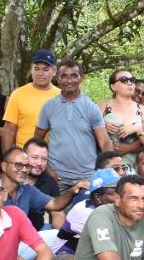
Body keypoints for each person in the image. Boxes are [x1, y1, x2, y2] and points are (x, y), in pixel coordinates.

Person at [33, 59, 110, 189]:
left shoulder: (91, 107)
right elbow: (36, 141)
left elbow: (104, 143)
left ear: (82, 78)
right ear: (57, 78)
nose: (69, 81)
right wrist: (47, 169)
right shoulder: (49, 106)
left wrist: (107, 172)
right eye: (64, 76)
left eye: (74, 75)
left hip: (87, 176)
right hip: (58, 177)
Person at [0, 146, 86, 226]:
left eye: (27, 166)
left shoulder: (27, 189)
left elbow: (54, 204)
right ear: (4, 166)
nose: (24, 169)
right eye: (18, 165)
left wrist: (72, 192)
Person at [0, 50, 59, 152]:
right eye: (37, 69)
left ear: (54, 71)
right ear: (31, 70)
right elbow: (9, 130)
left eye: (45, 69)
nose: (40, 73)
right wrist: (7, 159)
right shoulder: (18, 94)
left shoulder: (61, 97)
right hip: (24, 155)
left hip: (54, 155)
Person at [99, 68, 144, 171]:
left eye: (132, 80)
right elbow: (87, 133)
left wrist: (138, 130)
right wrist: (102, 127)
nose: (130, 83)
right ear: (113, 86)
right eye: (124, 80)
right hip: (107, 170)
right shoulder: (102, 106)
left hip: (134, 172)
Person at [21, 137, 61, 228]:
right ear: (23, 156)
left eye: (44, 159)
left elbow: (58, 213)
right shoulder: (14, 179)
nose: (39, 163)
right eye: (35, 157)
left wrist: (58, 235)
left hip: (38, 234)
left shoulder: (50, 183)